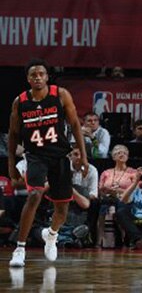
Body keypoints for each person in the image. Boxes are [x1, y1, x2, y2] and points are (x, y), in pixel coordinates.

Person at [8, 58, 88, 268]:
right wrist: (10, 166)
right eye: (33, 75)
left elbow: (75, 126)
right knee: (34, 194)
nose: (38, 77)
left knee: (61, 209)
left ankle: (51, 235)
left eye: (41, 74)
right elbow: (14, 135)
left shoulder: (60, 95)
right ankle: (20, 248)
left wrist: (84, 157)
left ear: (47, 76)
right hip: (35, 155)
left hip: (60, 156)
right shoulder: (20, 101)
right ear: (28, 78)